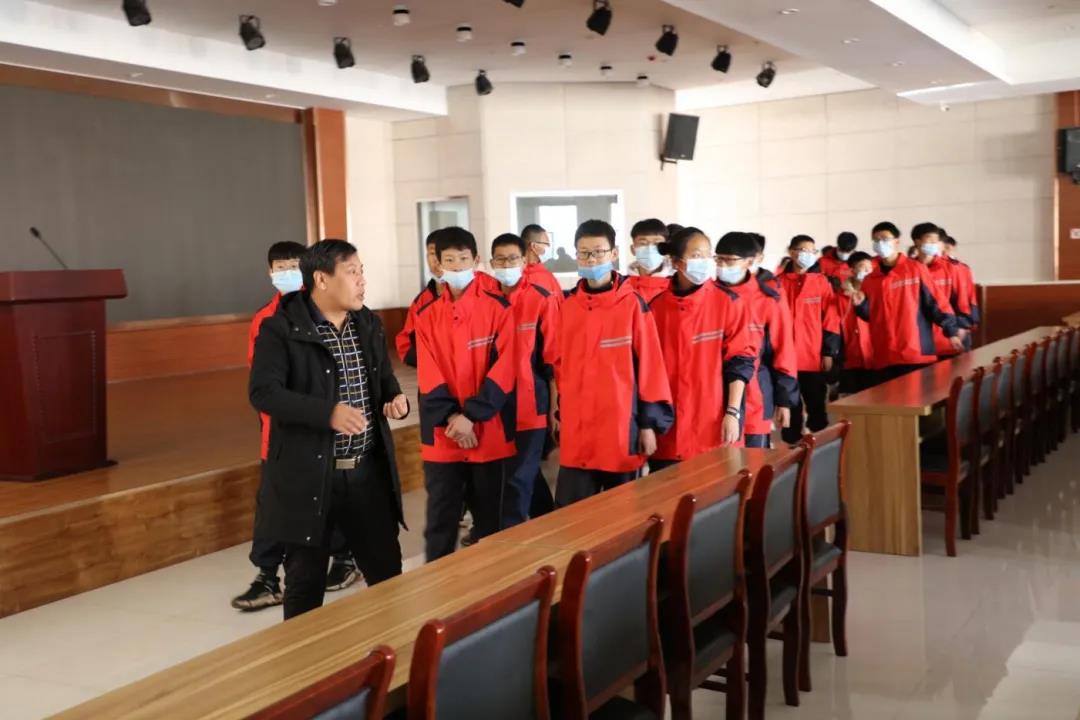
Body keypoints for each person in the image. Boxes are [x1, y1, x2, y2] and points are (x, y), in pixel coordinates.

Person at [249, 239, 410, 620]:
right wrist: (327, 414)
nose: (362, 280)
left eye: (361, 272)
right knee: (305, 587)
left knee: (387, 577)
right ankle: (305, 659)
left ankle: (392, 651)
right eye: (352, 272)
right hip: (309, 476)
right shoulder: (279, 329)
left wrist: (395, 397)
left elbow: (383, 378)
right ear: (321, 279)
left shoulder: (367, 323)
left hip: (366, 472)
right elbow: (263, 393)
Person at [232, 241, 363, 611]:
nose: (287, 273)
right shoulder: (267, 319)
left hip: (323, 434)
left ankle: (345, 559)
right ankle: (267, 576)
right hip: (280, 434)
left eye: (294, 265)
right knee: (276, 507)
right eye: (280, 267)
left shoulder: (325, 312)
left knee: (329, 501)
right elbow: (264, 385)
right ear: (270, 273)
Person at [413, 227, 517, 561]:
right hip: (443, 435)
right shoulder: (425, 316)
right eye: (449, 260)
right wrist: (453, 418)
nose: (457, 267)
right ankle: (440, 584)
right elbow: (428, 374)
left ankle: (493, 585)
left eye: (463, 259)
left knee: (490, 521)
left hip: (488, 430)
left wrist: (471, 416)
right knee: (440, 521)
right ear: (438, 265)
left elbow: (505, 369)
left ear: (476, 260)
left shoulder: (499, 309)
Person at [556, 219, 673, 505]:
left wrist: (648, 424)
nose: (591, 259)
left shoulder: (632, 304)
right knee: (570, 514)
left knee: (621, 514)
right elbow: (559, 366)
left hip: (620, 430)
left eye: (598, 252)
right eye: (584, 253)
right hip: (577, 433)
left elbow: (651, 369)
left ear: (614, 253)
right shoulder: (567, 306)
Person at [650, 227, 755, 470]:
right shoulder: (655, 308)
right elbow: (648, 372)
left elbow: (740, 361)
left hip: (714, 425)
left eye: (708, 255)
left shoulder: (728, 302)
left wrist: (733, 413)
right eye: (697, 255)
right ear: (677, 262)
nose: (706, 262)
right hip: (668, 430)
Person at [488, 233, 560, 526]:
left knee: (517, 478)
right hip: (492, 403)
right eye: (501, 259)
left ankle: (510, 541)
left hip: (531, 402)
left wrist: (555, 408)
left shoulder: (541, 299)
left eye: (512, 259)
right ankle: (549, 521)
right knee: (515, 472)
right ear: (491, 262)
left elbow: (553, 360)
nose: (507, 265)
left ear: (524, 261)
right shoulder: (485, 301)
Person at [854, 221, 964, 382]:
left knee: (918, 397)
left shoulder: (915, 269)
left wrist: (951, 331)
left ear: (896, 241)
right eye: (876, 240)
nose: (880, 243)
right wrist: (861, 305)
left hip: (915, 352)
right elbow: (871, 316)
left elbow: (936, 303)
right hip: (885, 355)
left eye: (885, 238)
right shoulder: (871, 279)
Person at [717, 232, 798, 448]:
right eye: (719, 259)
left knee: (753, 460)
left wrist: (784, 400)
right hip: (714, 395)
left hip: (756, 395)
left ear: (750, 261)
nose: (722, 265)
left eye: (729, 260)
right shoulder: (710, 296)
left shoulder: (768, 299)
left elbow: (784, 350)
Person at [777, 235, 841, 445]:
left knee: (816, 405)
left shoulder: (821, 282)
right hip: (786, 360)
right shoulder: (777, 283)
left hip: (813, 356)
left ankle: (821, 446)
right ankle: (793, 448)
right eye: (802, 250)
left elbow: (831, 319)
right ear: (791, 252)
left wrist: (829, 352)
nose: (807, 255)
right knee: (791, 406)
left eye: (812, 251)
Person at [910, 223, 973, 359]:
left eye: (936, 241)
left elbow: (964, 302)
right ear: (917, 242)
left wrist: (959, 328)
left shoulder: (952, 269)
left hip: (951, 340)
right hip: (920, 343)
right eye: (930, 240)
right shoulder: (908, 271)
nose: (934, 244)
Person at [395, 229, 444, 367]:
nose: (436, 260)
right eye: (432, 253)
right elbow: (405, 343)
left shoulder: (477, 293)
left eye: (442, 253)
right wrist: (429, 363)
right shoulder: (422, 301)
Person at [836, 251, 875, 395]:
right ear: (852, 270)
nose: (867, 271)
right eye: (863, 267)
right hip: (850, 357)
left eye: (870, 268)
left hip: (875, 356)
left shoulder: (876, 292)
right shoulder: (840, 297)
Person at [942, 233, 980, 349]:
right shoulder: (961, 268)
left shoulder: (958, 268)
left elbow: (969, 297)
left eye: (947, 248)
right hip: (956, 323)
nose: (945, 252)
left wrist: (965, 324)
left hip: (957, 323)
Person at [626, 218, 673, 304]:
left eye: (657, 244)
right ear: (633, 249)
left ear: (665, 248)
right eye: (643, 244)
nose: (650, 249)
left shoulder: (677, 283)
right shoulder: (623, 285)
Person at [521, 224, 564, 296]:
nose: (549, 247)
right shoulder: (517, 276)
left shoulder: (547, 275)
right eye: (546, 244)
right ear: (533, 246)